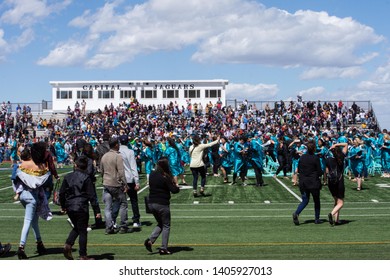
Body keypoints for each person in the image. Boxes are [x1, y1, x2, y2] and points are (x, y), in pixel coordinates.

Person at [13, 144, 52, 259]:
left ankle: (40, 244)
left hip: (23, 195)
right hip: (32, 196)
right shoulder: (39, 166)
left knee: (34, 220)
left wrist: (17, 192)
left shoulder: (20, 165)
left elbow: (14, 179)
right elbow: (47, 177)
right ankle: (21, 247)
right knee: (28, 221)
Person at [60, 155, 101, 260]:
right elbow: (92, 196)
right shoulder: (86, 178)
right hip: (81, 206)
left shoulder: (68, 177)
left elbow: (61, 193)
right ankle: (82, 254)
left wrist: (63, 206)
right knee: (82, 230)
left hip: (70, 206)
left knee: (78, 228)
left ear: (75, 165)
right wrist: (97, 211)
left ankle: (68, 245)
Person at [144, 157, 180, 255]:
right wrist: (176, 185)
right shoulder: (165, 176)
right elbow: (174, 190)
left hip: (151, 203)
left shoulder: (152, 174)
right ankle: (164, 248)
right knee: (166, 225)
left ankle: (150, 240)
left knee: (160, 223)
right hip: (162, 203)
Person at [100, 137, 131, 234]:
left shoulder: (104, 156)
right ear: (116, 145)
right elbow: (121, 172)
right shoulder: (118, 156)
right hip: (116, 184)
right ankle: (123, 225)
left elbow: (101, 170)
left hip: (106, 183)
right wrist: (125, 184)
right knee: (123, 204)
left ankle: (109, 227)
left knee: (107, 207)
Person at [292, 141, 323, 225]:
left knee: (305, 200)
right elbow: (320, 171)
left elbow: (299, 169)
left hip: (303, 182)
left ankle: (297, 213)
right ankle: (317, 219)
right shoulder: (315, 158)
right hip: (313, 182)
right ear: (313, 149)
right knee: (316, 200)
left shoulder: (302, 157)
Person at [119, 135, 141, 228]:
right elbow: (133, 167)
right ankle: (136, 220)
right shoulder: (130, 152)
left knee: (119, 201)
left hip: (120, 178)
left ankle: (119, 220)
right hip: (129, 178)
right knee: (133, 200)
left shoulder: (117, 152)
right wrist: (137, 181)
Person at [326, 142, 348, 226]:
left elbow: (327, 171)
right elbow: (346, 144)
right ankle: (331, 214)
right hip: (339, 180)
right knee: (341, 203)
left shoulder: (328, 159)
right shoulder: (341, 157)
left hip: (331, 181)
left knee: (336, 201)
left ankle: (336, 220)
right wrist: (336, 145)